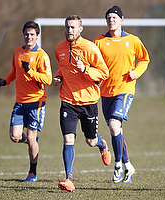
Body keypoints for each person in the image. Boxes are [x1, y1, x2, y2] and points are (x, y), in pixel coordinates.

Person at [53, 15, 111, 192]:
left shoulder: (89, 48)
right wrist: (58, 77)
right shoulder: (59, 48)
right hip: (68, 101)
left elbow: (104, 73)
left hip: (89, 102)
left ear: (80, 29)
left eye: (73, 27)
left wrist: (85, 69)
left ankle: (102, 144)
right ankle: (69, 179)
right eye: (67, 27)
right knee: (68, 138)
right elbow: (64, 68)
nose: (69, 30)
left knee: (90, 141)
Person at [94, 5, 150, 184]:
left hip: (125, 90)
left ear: (122, 20)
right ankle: (128, 165)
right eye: (108, 17)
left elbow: (144, 59)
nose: (111, 20)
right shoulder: (99, 42)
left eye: (114, 17)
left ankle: (117, 165)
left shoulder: (132, 40)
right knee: (116, 131)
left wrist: (136, 72)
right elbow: (93, 64)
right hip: (105, 92)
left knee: (113, 126)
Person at [0, 21, 52, 182]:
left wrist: (31, 72)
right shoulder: (18, 52)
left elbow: (47, 79)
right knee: (14, 137)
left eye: (32, 34)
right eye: (27, 34)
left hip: (36, 102)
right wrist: (6, 81)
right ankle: (31, 140)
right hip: (20, 102)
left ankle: (32, 173)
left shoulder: (42, 55)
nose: (29, 37)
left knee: (31, 138)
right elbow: (15, 71)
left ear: (37, 36)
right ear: (24, 35)